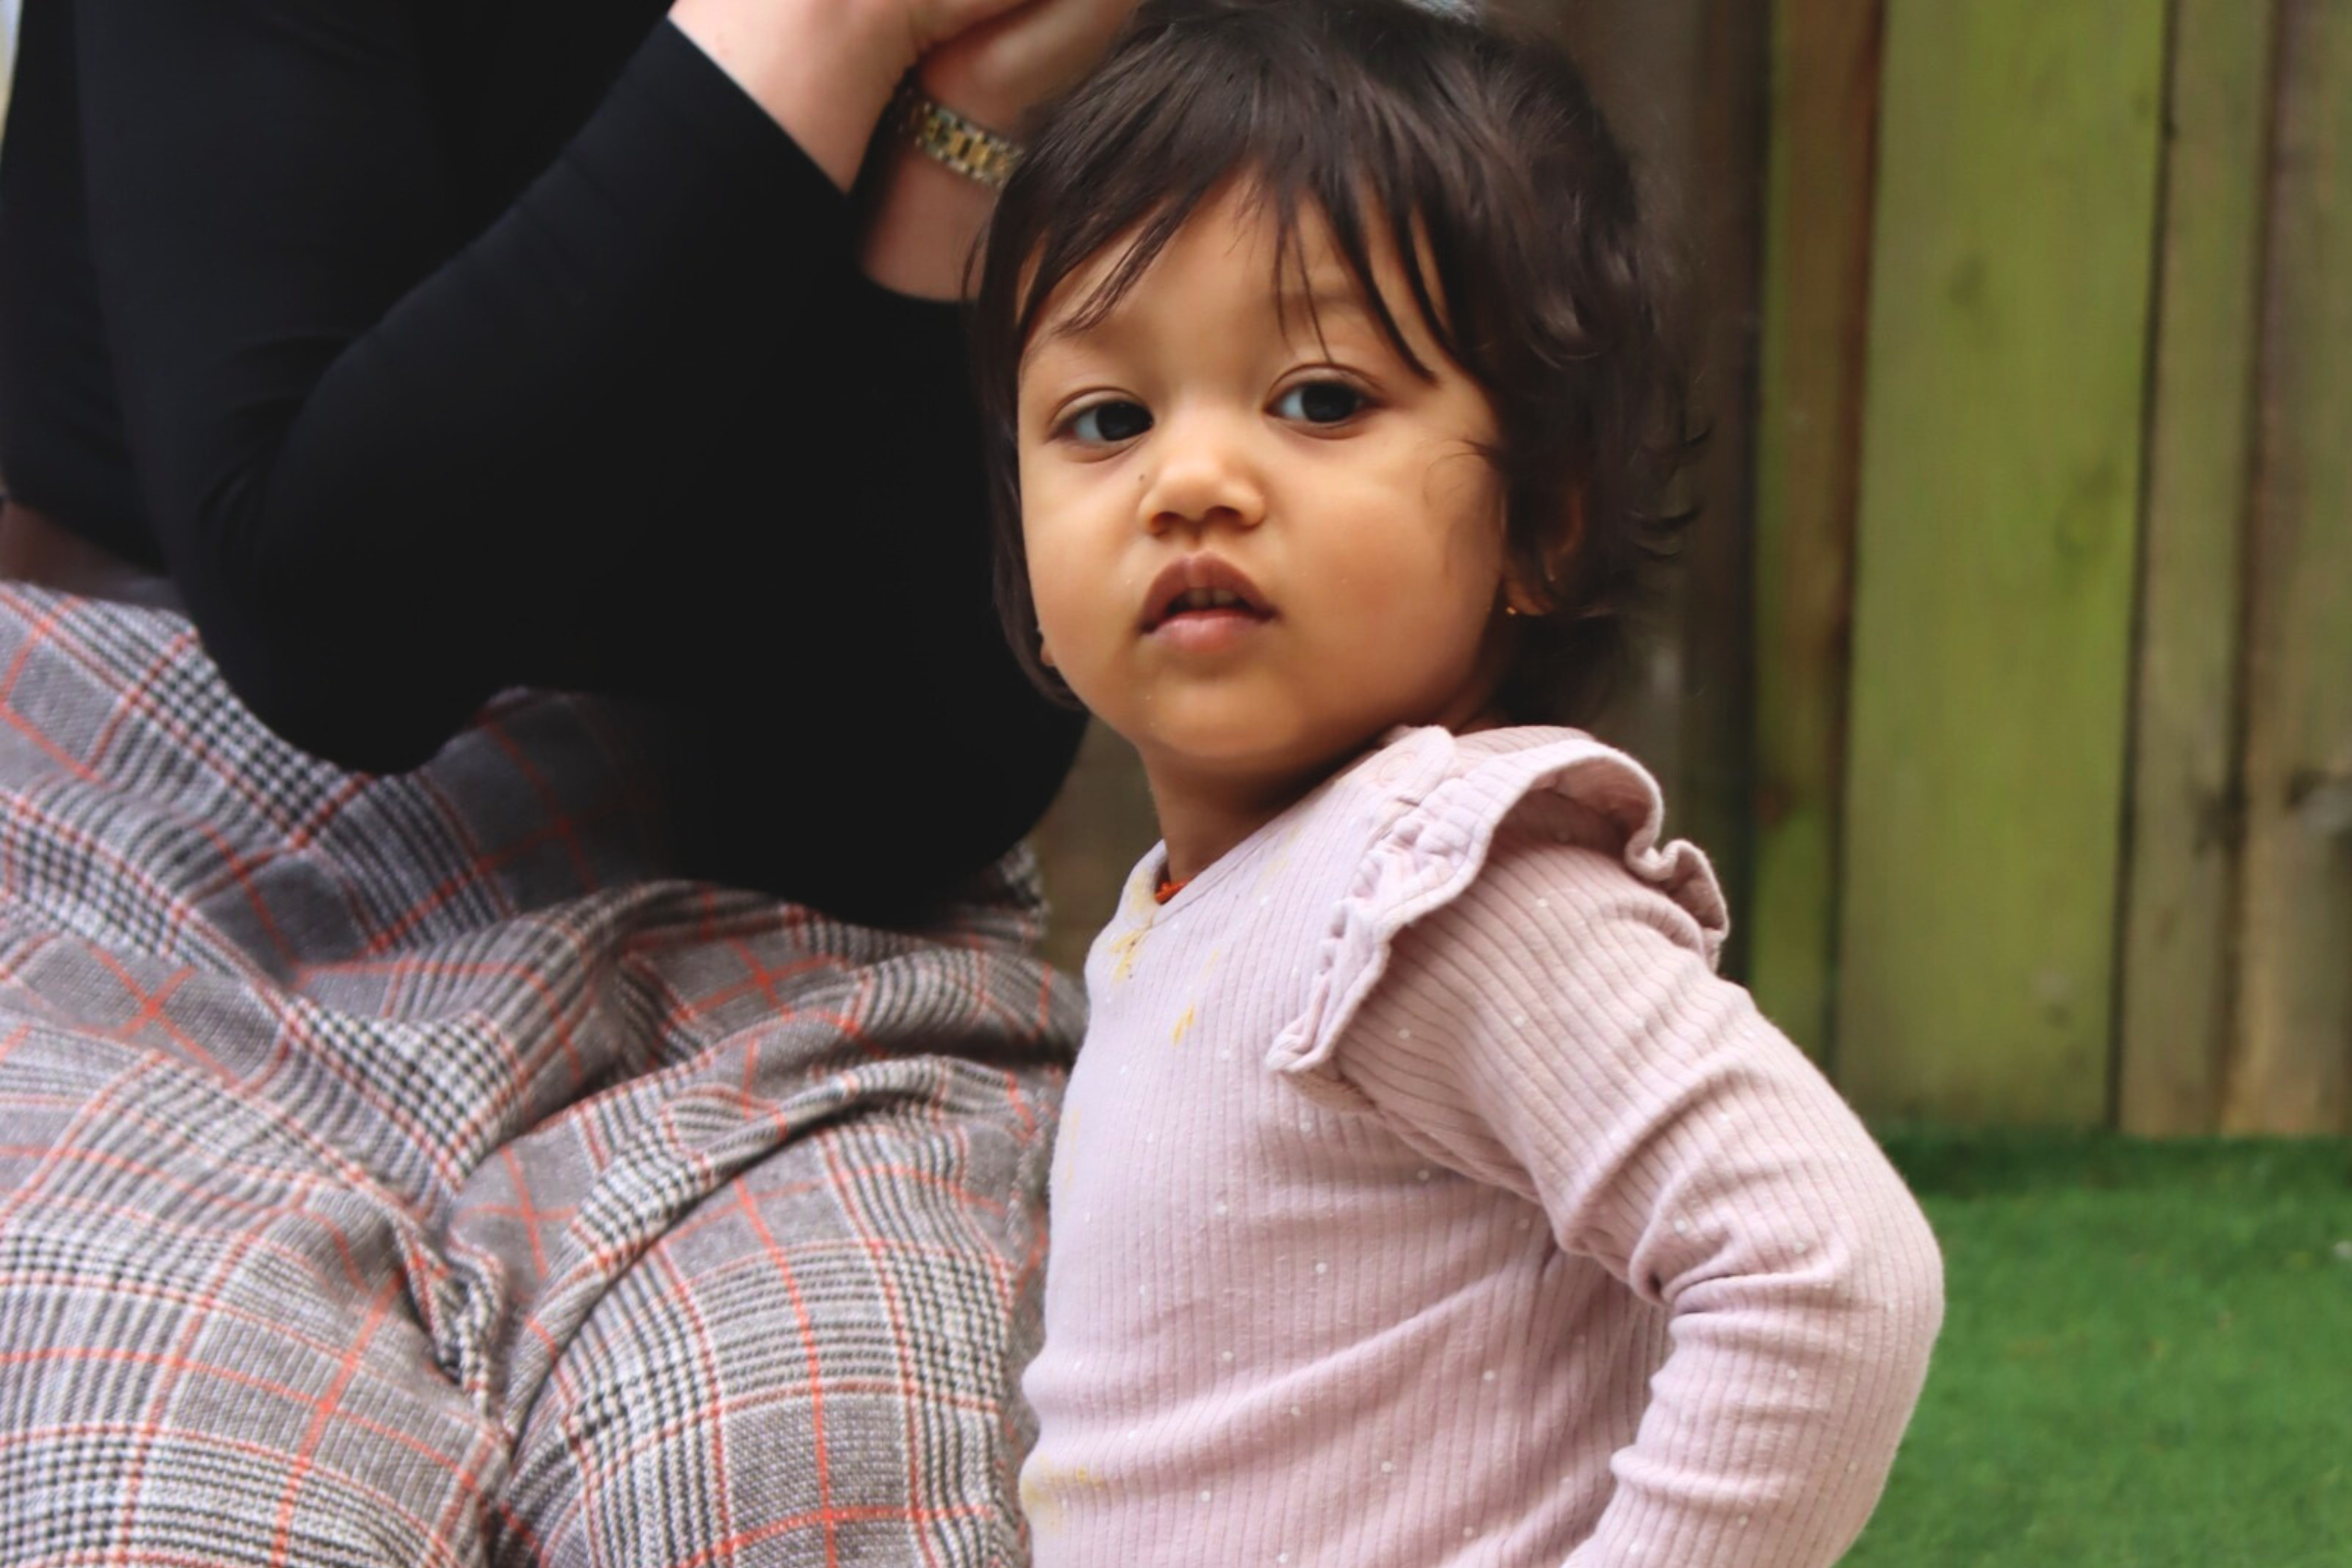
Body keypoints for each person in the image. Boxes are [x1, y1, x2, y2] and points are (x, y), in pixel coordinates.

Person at [0, 0, 1126, 1561]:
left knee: (836, 1472)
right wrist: (833, 22)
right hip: (148, 835)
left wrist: (960, 135)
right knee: (170, 1486)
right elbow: (331, 617)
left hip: (790, 927)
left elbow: (904, 793)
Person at [967, 2, 1946, 1563]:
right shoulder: (1203, 907)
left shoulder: (1436, 885)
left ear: (1544, 520)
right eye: (1105, 418)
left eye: (1320, 400)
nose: (1190, 479)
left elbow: (1823, 1265)